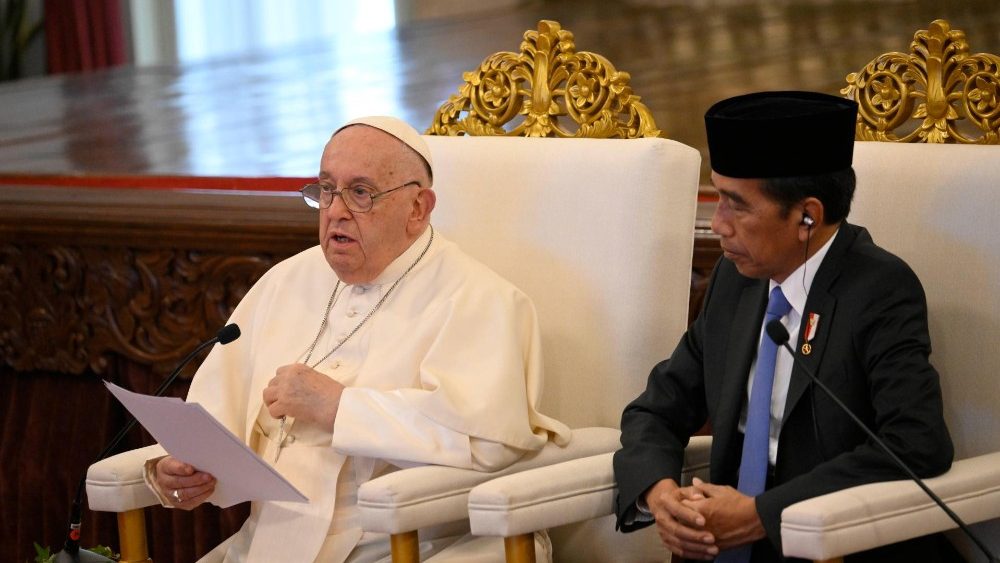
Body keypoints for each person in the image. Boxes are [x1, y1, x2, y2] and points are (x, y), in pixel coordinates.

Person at [141, 116, 571, 562]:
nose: (336, 210)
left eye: (361, 193)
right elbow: (214, 416)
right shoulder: (285, 281)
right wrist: (183, 469)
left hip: (410, 547)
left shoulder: (481, 300)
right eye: (327, 189)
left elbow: (490, 444)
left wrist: (340, 407)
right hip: (267, 544)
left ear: (418, 208)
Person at [613, 91, 955, 562]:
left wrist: (762, 513)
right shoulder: (736, 280)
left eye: (736, 205)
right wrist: (660, 491)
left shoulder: (880, 290)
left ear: (806, 216)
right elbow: (656, 410)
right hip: (724, 540)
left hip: (834, 543)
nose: (718, 225)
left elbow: (917, 444)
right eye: (717, 198)